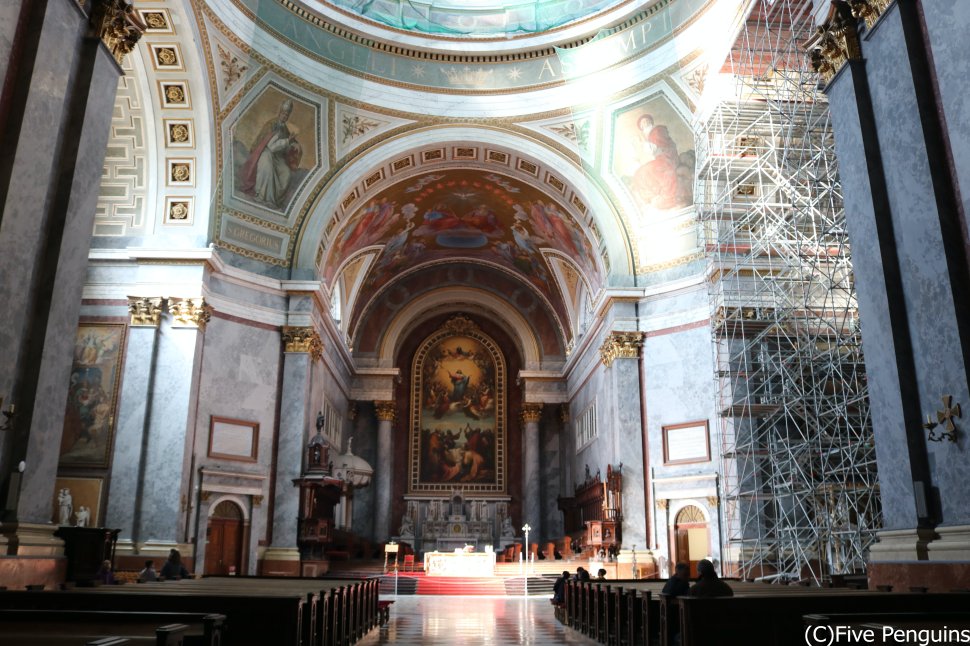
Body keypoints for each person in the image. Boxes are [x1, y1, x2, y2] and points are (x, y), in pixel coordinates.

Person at [239, 99, 302, 208]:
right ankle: (262, 196)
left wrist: (294, 144)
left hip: (277, 157)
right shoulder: (272, 125)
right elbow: (272, 147)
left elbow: (288, 141)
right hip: (266, 152)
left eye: (287, 115)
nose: (285, 117)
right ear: (280, 113)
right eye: (283, 114)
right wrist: (287, 141)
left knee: (286, 173)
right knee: (267, 167)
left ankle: (276, 200)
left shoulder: (284, 128)